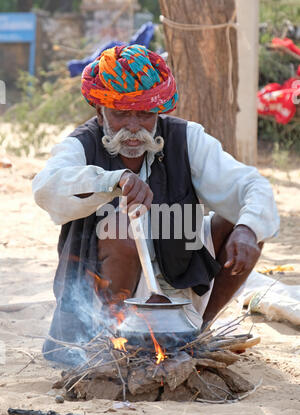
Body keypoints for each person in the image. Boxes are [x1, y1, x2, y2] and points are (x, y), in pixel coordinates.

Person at [32, 44, 279, 365]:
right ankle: (113, 341)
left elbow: (251, 185)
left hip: (179, 282)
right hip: (104, 293)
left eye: (145, 114)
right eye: (121, 113)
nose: (133, 127)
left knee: (244, 222)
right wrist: (112, 181)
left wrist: (247, 229)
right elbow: (46, 188)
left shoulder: (186, 139)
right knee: (118, 225)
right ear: (100, 111)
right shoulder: (81, 145)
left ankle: (199, 332)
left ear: (158, 111)